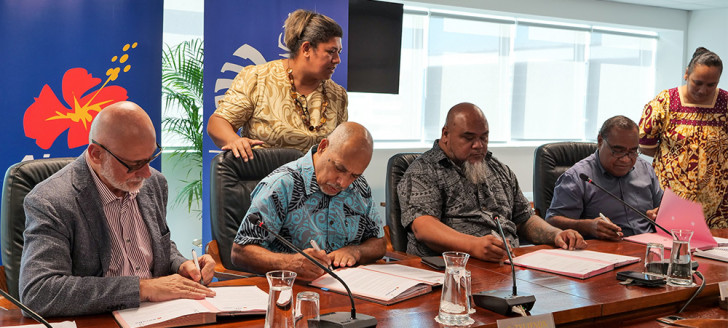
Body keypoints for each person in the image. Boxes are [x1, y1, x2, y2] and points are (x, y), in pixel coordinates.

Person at [19, 101, 216, 317]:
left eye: (151, 158)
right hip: (99, 320)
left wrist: (181, 265)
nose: (147, 173)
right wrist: (142, 289)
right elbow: (38, 293)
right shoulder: (51, 201)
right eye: (134, 165)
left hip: (163, 314)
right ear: (96, 154)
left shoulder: (155, 184)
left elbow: (157, 245)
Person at [397, 103, 587, 262]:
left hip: (510, 266)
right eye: (468, 137)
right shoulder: (423, 171)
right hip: (453, 270)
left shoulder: (499, 169)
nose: (479, 145)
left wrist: (555, 234)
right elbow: (423, 227)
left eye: (484, 137)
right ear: (445, 134)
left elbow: (524, 219)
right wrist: (473, 245)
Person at [231, 122, 385, 281]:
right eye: (340, 168)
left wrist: (356, 251)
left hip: (349, 288)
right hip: (292, 289)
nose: (343, 183)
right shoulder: (281, 185)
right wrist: (290, 263)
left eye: (354, 175)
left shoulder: (359, 187)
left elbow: (379, 243)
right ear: (323, 146)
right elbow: (240, 252)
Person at [208, 9, 348, 161]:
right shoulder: (258, 78)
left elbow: (340, 146)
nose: (337, 60)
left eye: (339, 52)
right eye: (331, 52)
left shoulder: (337, 94)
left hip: (315, 183)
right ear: (306, 49)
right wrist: (234, 141)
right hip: (264, 179)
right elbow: (218, 122)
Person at [639, 47, 728, 229]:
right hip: (670, 195)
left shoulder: (725, 103)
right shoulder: (664, 102)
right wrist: (679, 154)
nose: (703, 90)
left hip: (717, 202)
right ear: (686, 74)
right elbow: (643, 144)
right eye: (698, 82)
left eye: (711, 84)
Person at [546, 116, 663, 240]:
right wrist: (587, 226)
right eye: (618, 151)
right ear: (600, 141)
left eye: (633, 152)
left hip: (649, 247)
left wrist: (659, 213)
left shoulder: (645, 169)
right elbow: (552, 221)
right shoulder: (578, 177)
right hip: (605, 250)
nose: (626, 159)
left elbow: (660, 208)